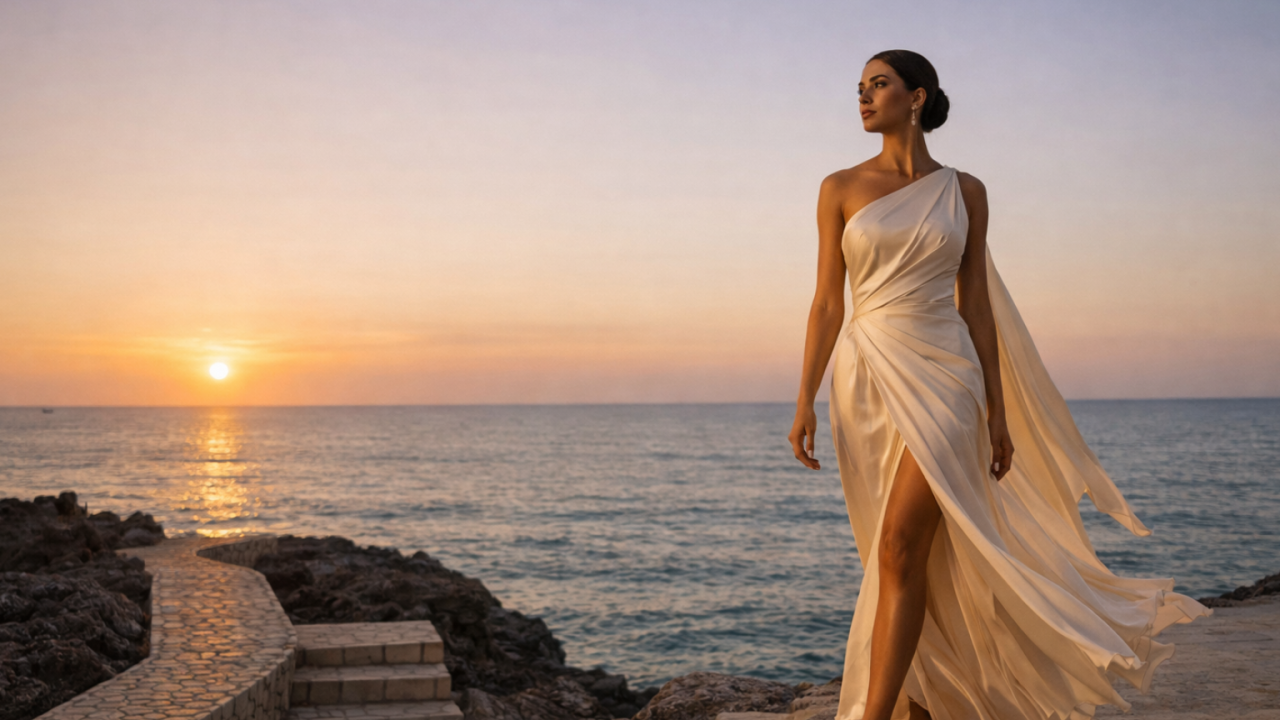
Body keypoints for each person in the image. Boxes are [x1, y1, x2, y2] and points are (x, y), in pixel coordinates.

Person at [787, 49, 1213, 720]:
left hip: (947, 375)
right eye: (860, 88)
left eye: (879, 85)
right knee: (898, 552)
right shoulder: (838, 187)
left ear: (917, 97)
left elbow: (977, 303)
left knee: (900, 541)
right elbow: (825, 304)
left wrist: (997, 411)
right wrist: (804, 398)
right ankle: (924, 693)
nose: (864, 98)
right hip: (865, 376)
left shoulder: (965, 191)